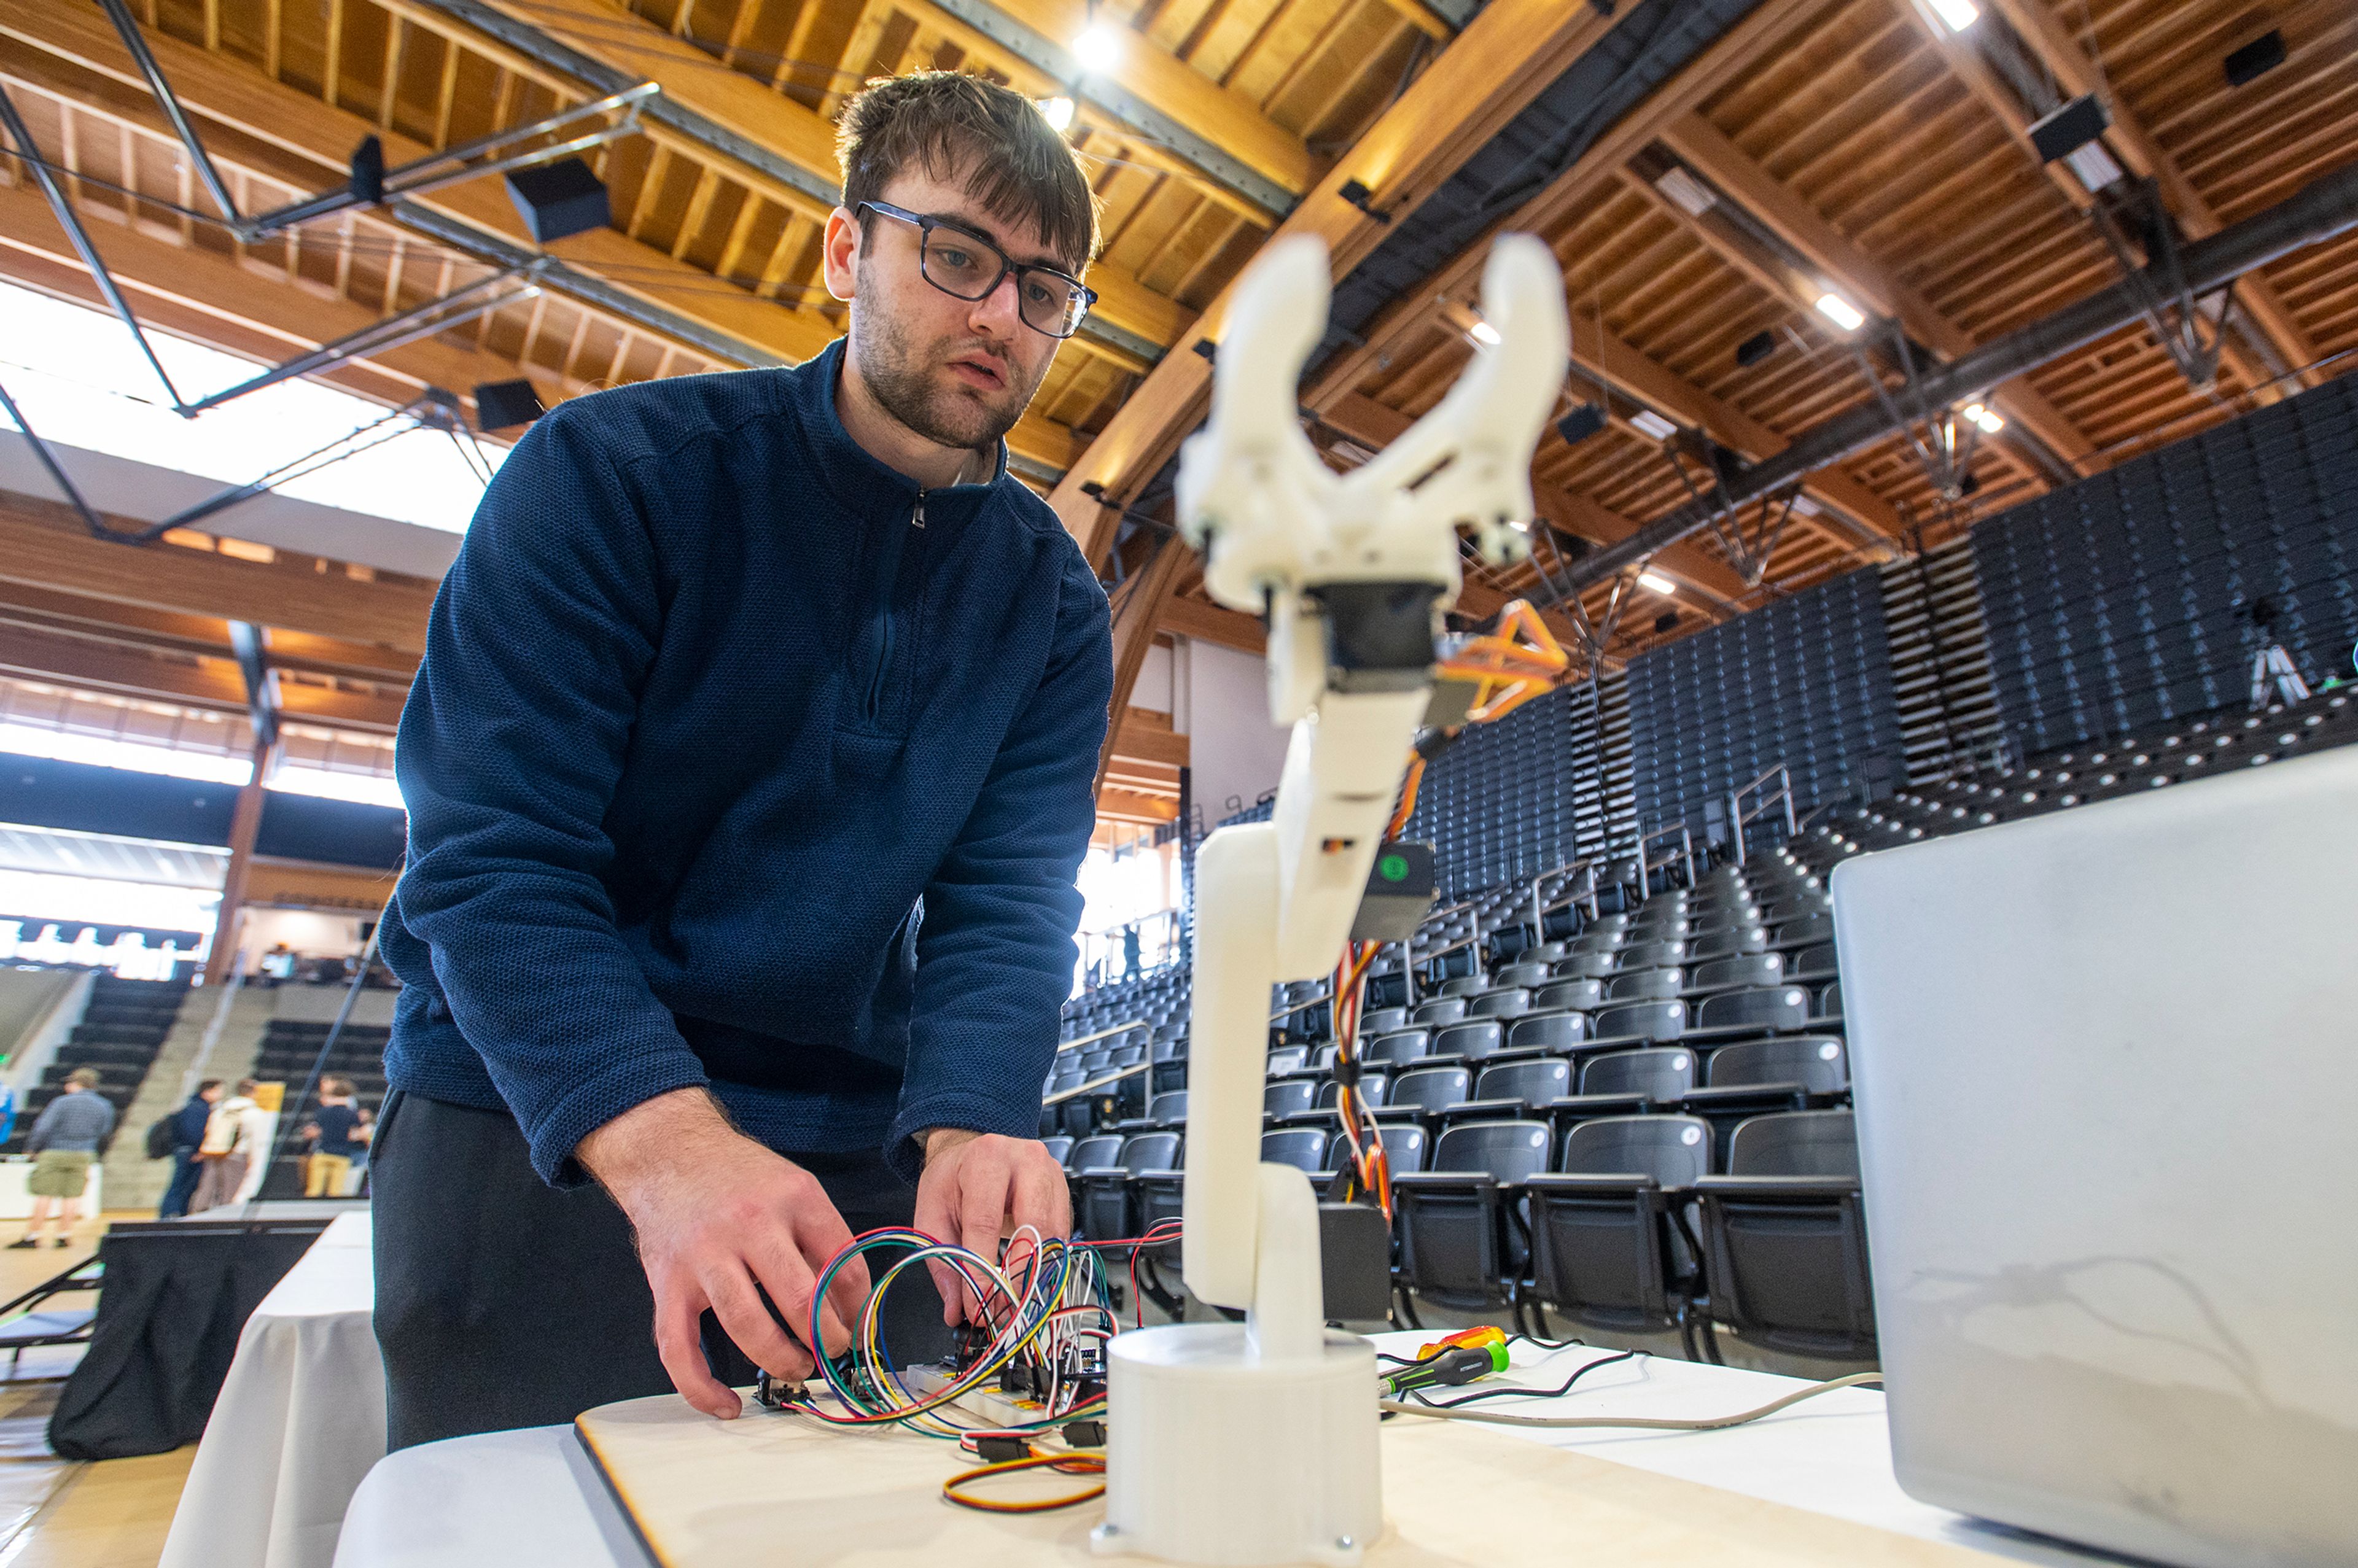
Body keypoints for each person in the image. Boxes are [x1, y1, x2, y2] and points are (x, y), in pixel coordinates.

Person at [372, 71, 1112, 1451]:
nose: (999, 315)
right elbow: (493, 858)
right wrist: (671, 1147)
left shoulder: (1055, 605)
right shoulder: (613, 476)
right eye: (957, 254)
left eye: (1044, 288)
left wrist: (972, 1120)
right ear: (847, 250)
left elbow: (1007, 900)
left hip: (839, 1152)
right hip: (543, 1122)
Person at [12, 1069, 114, 1248]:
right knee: (72, 1196)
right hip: (84, 1154)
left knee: (44, 1194)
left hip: (55, 1151)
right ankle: (64, 1235)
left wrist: (32, 1148)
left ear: (77, 1083)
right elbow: (105, 1131)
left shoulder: (61, 1103)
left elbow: (43, 1128)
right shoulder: (104, 1105)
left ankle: (33, 1236)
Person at [188, 1079, 264, 1214]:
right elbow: (257, 1143)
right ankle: (225, 1221)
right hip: (237, 1155)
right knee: (230, 1194)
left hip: (214, 1153)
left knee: (208, 1190)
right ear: (253, 1093)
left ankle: (198, 1217)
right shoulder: (254, 1113)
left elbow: (209, 1131)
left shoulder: (220, 1110)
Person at [157, 1079, 224, 1219]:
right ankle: (171, 1214)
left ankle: (176, 1214)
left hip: (187, 1150)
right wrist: (199, 1150)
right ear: (207, 1092)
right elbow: (193, 1133)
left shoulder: (195, 1107)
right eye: (217, 1091)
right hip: (190, 1152)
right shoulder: (197, 1109)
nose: (220, 1094)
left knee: (184, 1187)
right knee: (181, 1186)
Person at [300, 1079, 370, 1197]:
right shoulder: (352, 1114)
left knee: (314, 1190)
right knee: (336, 1192)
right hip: (342, 1155)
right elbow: (358, 1132)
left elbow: (315, 1130)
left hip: (322, 1153)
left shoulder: (323, 1112)